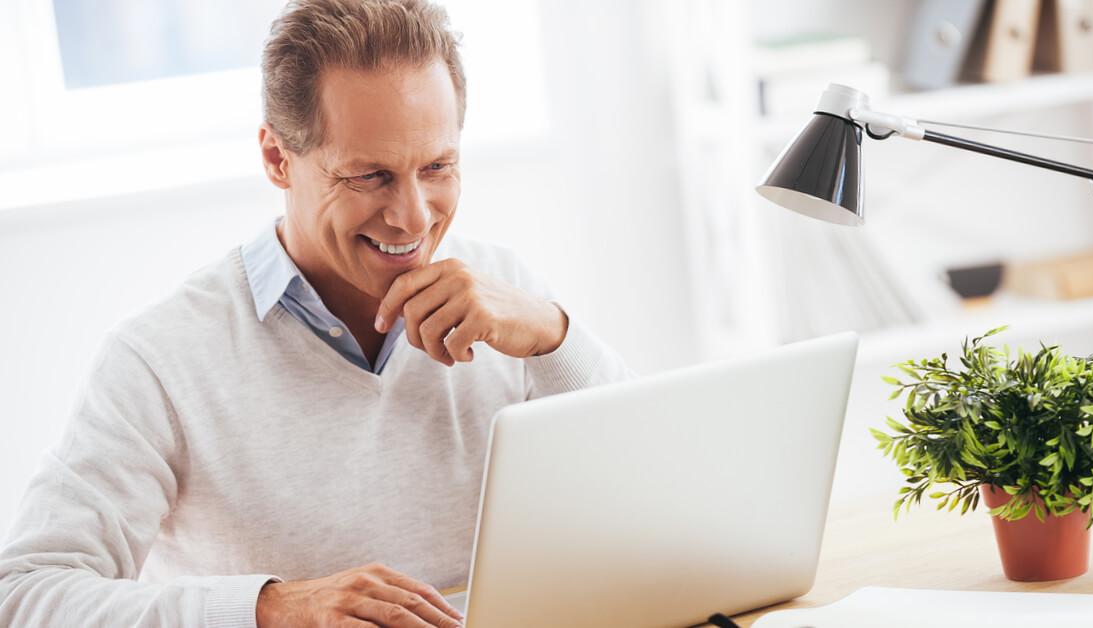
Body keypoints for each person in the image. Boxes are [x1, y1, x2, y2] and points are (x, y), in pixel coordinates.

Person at [0, 1, 633, 626]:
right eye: (370, 176)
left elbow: (655, 504)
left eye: (438, 166)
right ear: (278, 159)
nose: (413, 217)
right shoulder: (161, 360)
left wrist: (555, 337)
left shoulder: (507, 296)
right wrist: (270, 608)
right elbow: (25, 594)